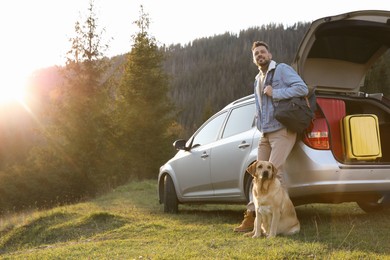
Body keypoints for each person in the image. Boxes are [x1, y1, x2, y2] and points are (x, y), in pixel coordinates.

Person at [233, 41, 308, 233]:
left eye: (263, 52)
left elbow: (302, 89)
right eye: (256, 53)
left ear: (270, 54)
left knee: (275, 173)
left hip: (282, 130)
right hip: (265, 133)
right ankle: (256, 218)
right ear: (253, 58)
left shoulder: (281, 69)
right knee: (256, 174)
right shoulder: (257, 79)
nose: (260, 55)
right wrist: (258, 123)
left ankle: (282, 219)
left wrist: (276, 92)